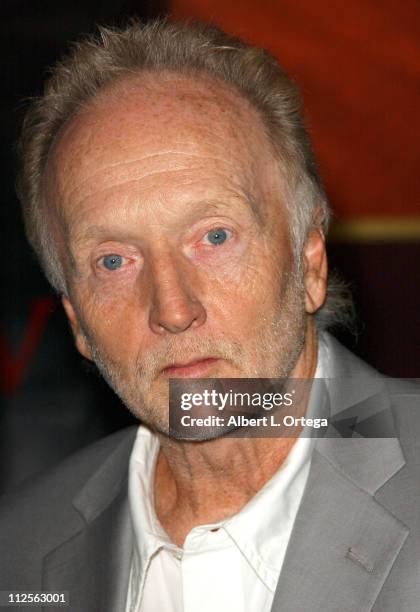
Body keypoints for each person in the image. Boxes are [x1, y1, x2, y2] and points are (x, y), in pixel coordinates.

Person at [0, 18, 419, 612]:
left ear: (309, 262)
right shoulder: (15, 553)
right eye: (114, 260)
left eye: (215, 236)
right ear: (76, 321)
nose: (172, 308)